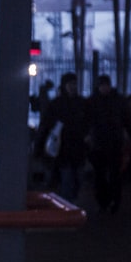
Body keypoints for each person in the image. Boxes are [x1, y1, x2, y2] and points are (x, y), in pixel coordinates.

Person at [35, 72, 88, 201]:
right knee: (70, 180)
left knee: (73, 180)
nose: (72, 87)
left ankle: (67, 205)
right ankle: (68, 205)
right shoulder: (79, 103)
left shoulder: (58, 104)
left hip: (70, 147)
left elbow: (45, 126)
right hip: (67, 148)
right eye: (70, 84)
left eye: (74, 84)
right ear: (64, 86)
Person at [85, 74, 131, 213]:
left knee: (105, 175)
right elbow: (127, 120)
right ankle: (112, 201)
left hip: (103, 142)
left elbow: (126, 121)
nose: (104, 88)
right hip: (109, 142)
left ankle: (105, 202)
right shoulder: (118, 101)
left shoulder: (92, 101)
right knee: (109, 174)